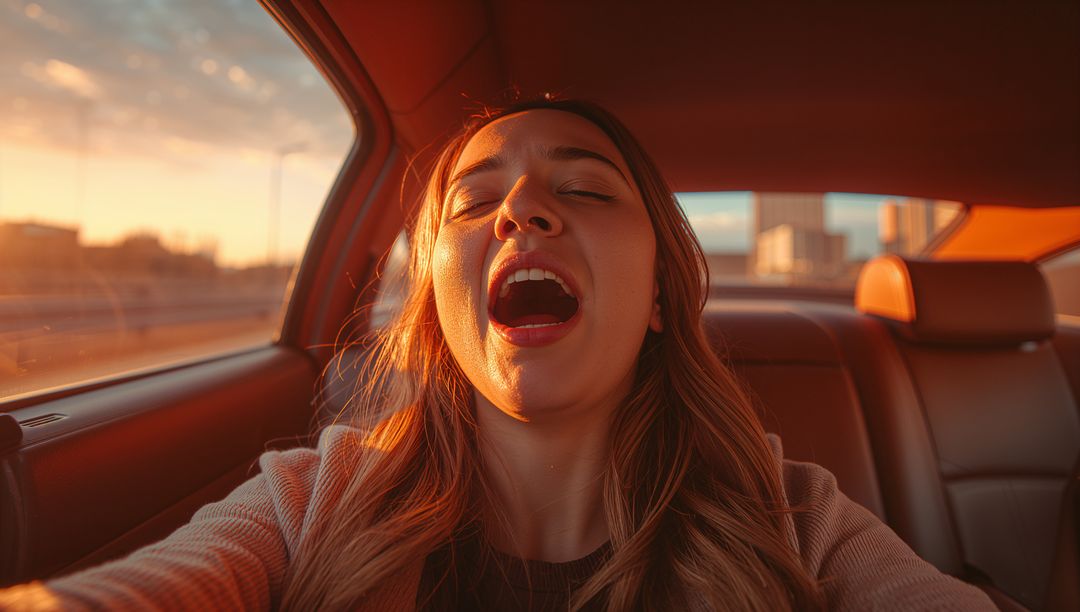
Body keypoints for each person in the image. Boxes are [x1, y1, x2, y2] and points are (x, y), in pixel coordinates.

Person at [0, 98, 995, 611]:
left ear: (657, 292)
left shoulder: (792, 516)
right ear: (436, 297)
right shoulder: (313, 502)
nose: (521, 209)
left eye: (589, 190)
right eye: (475, 201)